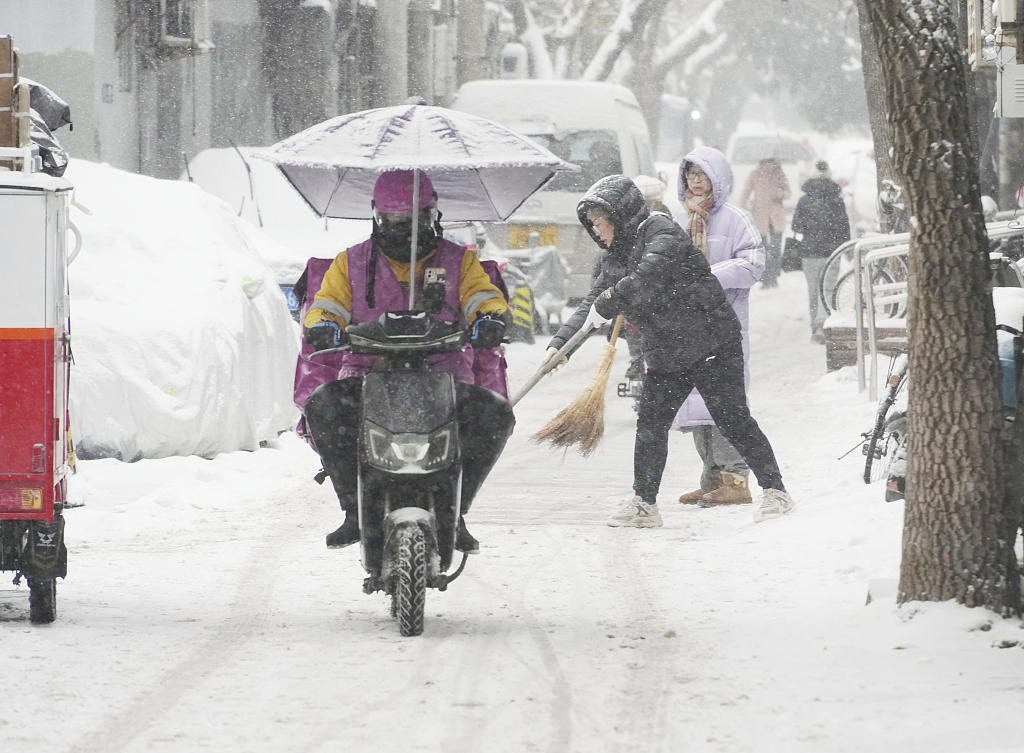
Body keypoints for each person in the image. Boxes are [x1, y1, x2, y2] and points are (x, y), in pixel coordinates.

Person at [543, 175, 794, 526]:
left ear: (622, 216)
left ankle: (776, 491)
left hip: (711, 343)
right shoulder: (613, 259)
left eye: (602, 223)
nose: (598, 232)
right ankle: (645, 504)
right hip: (666, 351)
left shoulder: (661, 233)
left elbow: (646, 276)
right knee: (650, 426)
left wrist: (611, 299)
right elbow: (590, 305)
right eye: (593, 226)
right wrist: (561, 346)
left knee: (732, 420)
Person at [301, 170, 515, 552]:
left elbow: (483, 297)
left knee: (494, 415)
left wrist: (491, 318)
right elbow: (326, 306)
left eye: (414, 221)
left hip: (443, 374)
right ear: (376, 217)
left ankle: (458, 511)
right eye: (393, 221)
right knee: (325, 406)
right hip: (369, 374)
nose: (403, 230)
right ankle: (352, 510)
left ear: (433, 216)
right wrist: (324, 326)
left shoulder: (459, 262)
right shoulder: (349, 263)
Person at [672, 147, 765, 507]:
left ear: (718, 178)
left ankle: (737, 480)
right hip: (689, 329)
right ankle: (712, 478)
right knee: (697, 404)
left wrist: (706, 277)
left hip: (724, 328)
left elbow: (753, 264)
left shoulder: (735, 219)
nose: (696, 180)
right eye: (690, 174)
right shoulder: (681, 223)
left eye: (702, 173)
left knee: (725, 404)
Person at [790, 161, 850, 343]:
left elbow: (796, 226)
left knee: (813, 290)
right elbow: (844, 228)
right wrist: (846, 249)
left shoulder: (804, 200)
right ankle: (824, 324)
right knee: (828, 289)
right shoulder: (837, 200)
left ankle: (815, 327)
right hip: (831, 253)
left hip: (809, 252)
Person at [739, 158, 790, 287]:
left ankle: (768, 278)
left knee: (764, 250)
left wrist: (741, 208)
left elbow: (745, 193)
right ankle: (772, 277)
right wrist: (781, 193)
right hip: (771, 216)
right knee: (774, 249)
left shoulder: (756, 174)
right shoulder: (778, 174)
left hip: (762, 215)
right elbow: (788, 193)